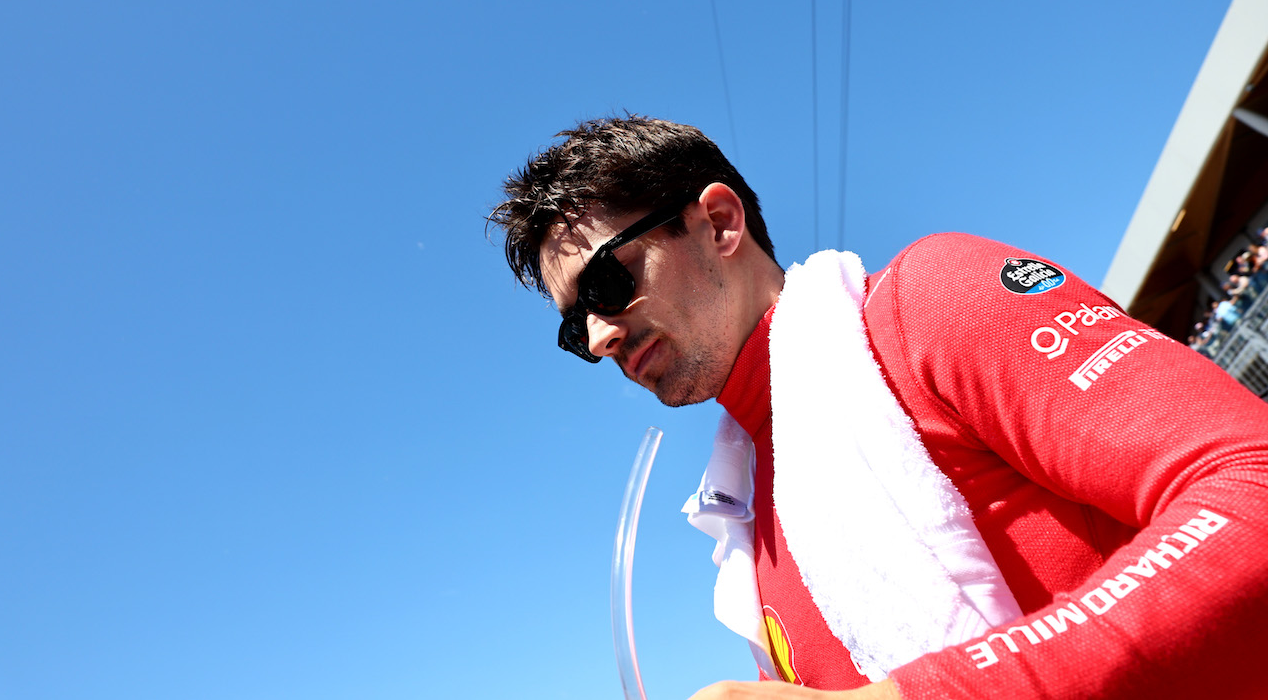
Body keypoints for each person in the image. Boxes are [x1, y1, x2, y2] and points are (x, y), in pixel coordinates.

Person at [488, 115, 1268, 700]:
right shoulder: (741, 547)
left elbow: (1252, 484)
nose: (596, 336)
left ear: (720, 223)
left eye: (603, 285)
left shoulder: (927, 302)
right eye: (571, 325)